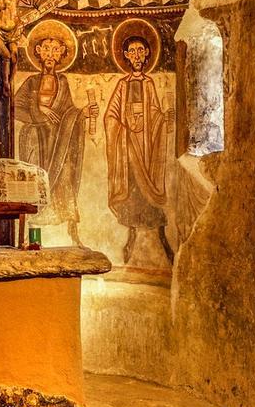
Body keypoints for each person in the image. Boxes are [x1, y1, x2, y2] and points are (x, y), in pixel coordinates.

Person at [15, 28, 96, 244]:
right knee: (34, 183)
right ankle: (30, 233)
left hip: (59, 142)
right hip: (35, 140)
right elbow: (15, 107)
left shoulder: (63, 83)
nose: (50, 55)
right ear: (39, 52)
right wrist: (40, 114)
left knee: (65, 179)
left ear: (61, 54)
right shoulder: (32, 82)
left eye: (55, 50)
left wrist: (82, 113)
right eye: (46, 50)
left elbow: (68, 111)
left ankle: (73, 232)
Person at [104, 33, 174, 264]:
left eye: (140, 51)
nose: (136, 55)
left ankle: (164, 241)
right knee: (132, 195)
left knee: (150, 197)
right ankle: (130, 240)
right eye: (131, 51)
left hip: (146, 149)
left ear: (146, 55)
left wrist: (161, 119)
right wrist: (123, 127)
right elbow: (110, 115)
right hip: (128, 148)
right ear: (125, 56)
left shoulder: (149, 83)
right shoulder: (122, 85)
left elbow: (154, 112)